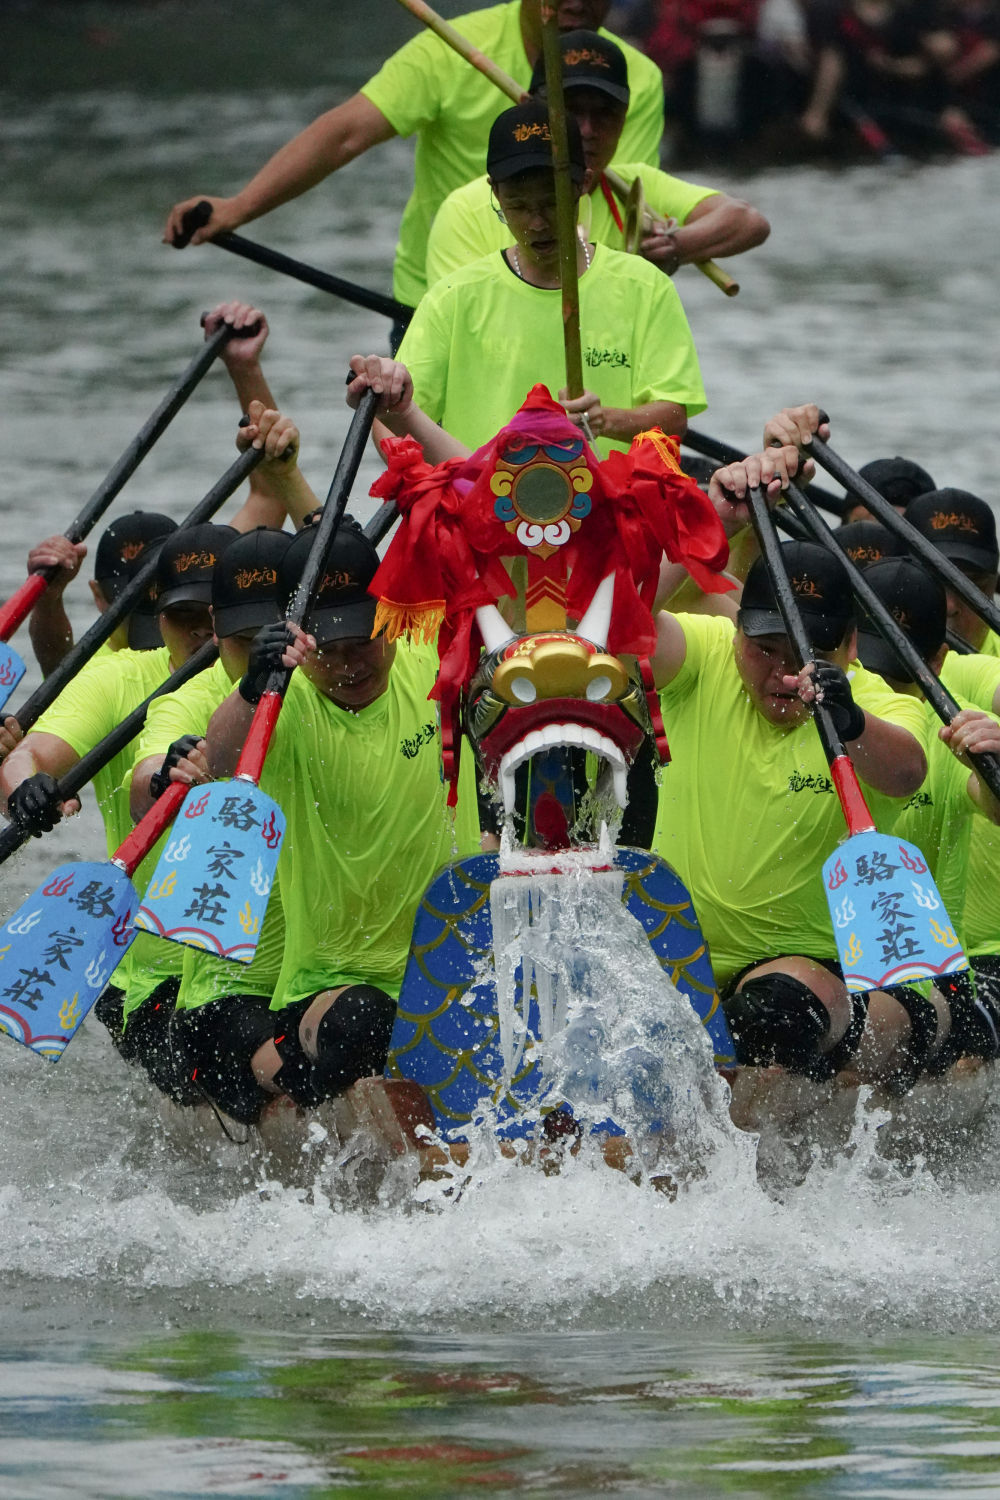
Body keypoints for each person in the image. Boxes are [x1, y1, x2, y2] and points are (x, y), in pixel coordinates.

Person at [648, 460, 939, 1095]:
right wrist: (707, 520)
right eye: (766, 649)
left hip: (818, 976)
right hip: (683, 964)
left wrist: (848, 717)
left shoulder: (883, 704)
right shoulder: (701, 657)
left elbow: (908, 771)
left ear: (851, 648)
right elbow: (614, 625)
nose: (783, 674)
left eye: (807, 654)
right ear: (735, 636)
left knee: (773, 1011)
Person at [198, 518, 481, 1117]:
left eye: (364, 640)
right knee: (363, 1023)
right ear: (298, 639)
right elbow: (221, 767)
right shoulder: (281, 705)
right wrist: (254, 687)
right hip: (332, 983)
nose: (351, 663)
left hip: (448, 960)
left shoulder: (439, 660)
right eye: (329, 649)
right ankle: (279, 1069)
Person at [163, 0, 667, 329]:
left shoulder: (632, 79)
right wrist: (239, 208)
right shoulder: (451, 48)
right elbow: (345, 134)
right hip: (437, 310)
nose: (575, 4)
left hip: (566, 312)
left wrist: (679, 242)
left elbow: (618, 208)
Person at [396, 101, 706, 457]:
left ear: (583, 185)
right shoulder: (452, 297)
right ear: (495, 193)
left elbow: (674, 416)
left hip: (608, 507)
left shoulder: (646, 287)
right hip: (485, 505)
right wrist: (458, 480)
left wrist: (605, 420)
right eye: (518, 206)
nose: (537, 223)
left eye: (550, 203)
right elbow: (394, 418)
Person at [114, 525, 297, 1116]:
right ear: (217, 631)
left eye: (273, 636)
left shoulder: (341, 681)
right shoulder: (186, 700)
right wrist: (167, 773)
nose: (261, 652)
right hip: (221, 986)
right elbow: (146, 787)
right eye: (244, 639)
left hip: (315, 970)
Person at [424, 29, 769, 289]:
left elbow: (748, 222)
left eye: (605, 115)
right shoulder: (466, 211)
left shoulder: (636, 187)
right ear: (532, 107)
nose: (587, 130)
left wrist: (674, 246)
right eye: (572, 111)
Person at [852, 556, 1000, 1074]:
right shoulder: (815, 701)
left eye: (894, 671)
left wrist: (991, 767)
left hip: (942, 977)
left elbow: (994, 808)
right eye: (867, 665)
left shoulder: (957, 725)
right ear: (846, 644)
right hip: (834, 965)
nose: (879, 686)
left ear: (938, 663)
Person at [904, 488, 1000, 657]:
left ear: (993, 586)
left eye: (971, 586)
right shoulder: (849, 660)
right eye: (930, 583)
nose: (950, 606)